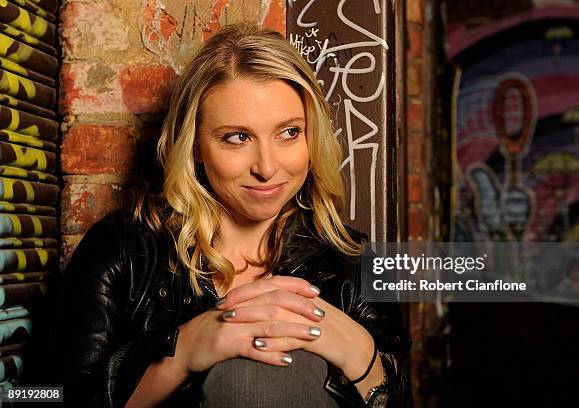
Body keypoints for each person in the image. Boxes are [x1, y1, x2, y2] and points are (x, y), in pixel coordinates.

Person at [56, 23, 410, 407]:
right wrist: (184, 354)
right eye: (238, 137)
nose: (267, 167)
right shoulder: (122, 252)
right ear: (193, 146)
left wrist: (362, 356)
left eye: (289, 132)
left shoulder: (354, 262)